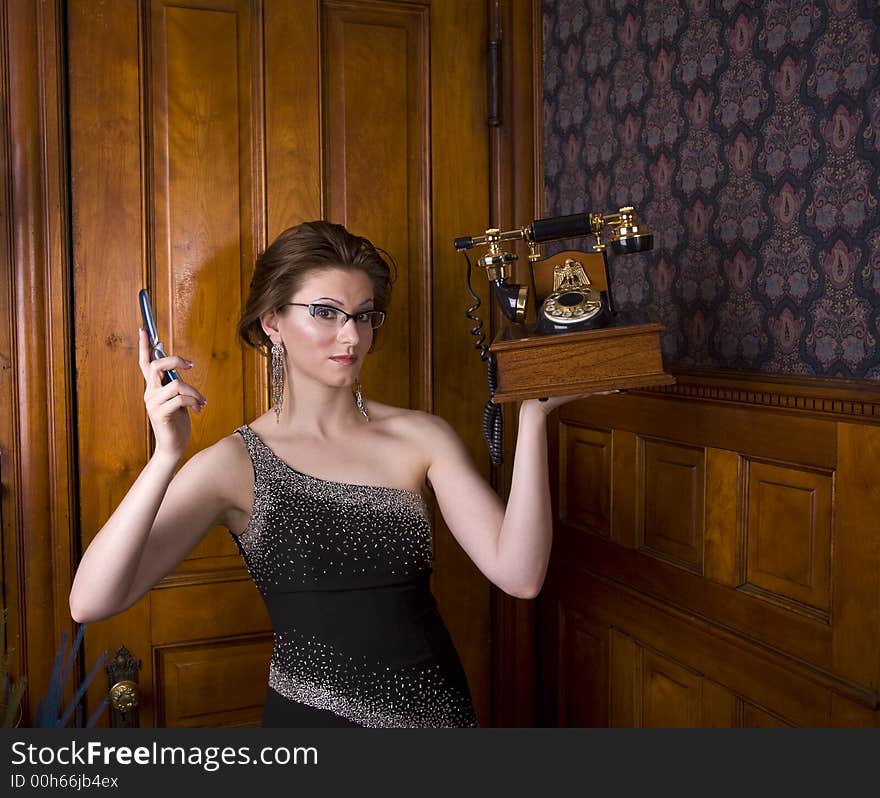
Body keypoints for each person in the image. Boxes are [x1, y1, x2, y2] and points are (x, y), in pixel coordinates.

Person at [69, 220, 590, 728]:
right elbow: (91, 601)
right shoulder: (234, 466)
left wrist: (534, 416)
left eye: (363, 316)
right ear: (272, 322)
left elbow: (520, 576)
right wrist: (166, 456)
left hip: (438, 718)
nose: (351, 336)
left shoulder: (421, 438)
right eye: (326, 313)